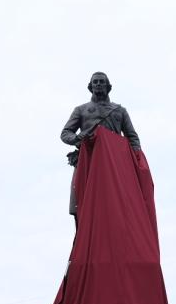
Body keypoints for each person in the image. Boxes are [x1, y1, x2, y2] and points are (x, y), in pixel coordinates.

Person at [60, 71, 141, 213]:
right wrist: (79, 138)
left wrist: (137, 162)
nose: (98, 84)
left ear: (108, 86)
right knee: (82, 201)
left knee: (115, 202)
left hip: (113, 162)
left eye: (101, 81)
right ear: (90, 86)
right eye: (95, 82)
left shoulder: (120, 111)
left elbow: (132, 137)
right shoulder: (81, 110)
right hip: (89, 160)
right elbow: (65, 133)